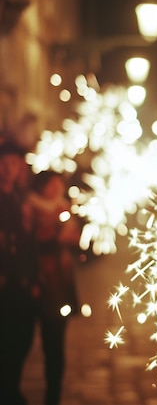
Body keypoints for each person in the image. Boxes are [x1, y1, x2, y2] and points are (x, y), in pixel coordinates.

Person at [27, 170, 82, 405]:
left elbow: (77, 242)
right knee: (23, 340)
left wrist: (73, 235)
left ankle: (53, 395)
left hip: (60, 285)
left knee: (56, 344)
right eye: (52, 184)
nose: (56, 188)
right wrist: (56, 236)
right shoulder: (29, 208)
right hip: (35, 282)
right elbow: (31, 243)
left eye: (59, 184)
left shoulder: (64, 209)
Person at [0, 140, 38, 405]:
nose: (7, 169)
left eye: (13, 163)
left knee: (22, 339)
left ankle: (11, 388)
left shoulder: (19, 197)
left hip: (22, 283)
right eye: (3, 163)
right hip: (4, 283)